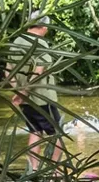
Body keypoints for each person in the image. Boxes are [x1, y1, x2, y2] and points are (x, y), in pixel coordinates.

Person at [8, 15, 65, 170]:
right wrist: (25, 92)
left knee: (35, 131)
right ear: (43, 28)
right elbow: (39, 70)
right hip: (42, 98)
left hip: (24, 100)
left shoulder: (16, 42)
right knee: (58, 133)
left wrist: (18, 92)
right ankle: (55, 170)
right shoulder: (39, 43)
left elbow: (8, 72)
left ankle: (34, 169)